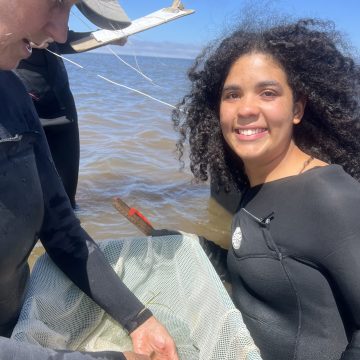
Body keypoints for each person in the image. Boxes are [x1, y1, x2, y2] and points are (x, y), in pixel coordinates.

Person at [172, 17, 360, 360]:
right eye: (232, 95)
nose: (246, 109)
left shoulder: (332, 197)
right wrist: (192, 249)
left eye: (268, 92)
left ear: (297, 108)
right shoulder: (255, 188)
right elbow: (269, 268)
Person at [0, 1, 179, 359]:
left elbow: (61, 226)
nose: (62, 33)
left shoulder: (13, 93)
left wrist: (137, 318)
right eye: (56, 2)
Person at [14, 19, 127, 208]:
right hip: (22, 109)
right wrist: (19, 38)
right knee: (23, 197)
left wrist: (107, 37)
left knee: (66, 196)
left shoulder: (51, 15)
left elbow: (66, 39)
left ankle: (70, 229)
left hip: (62, 110)